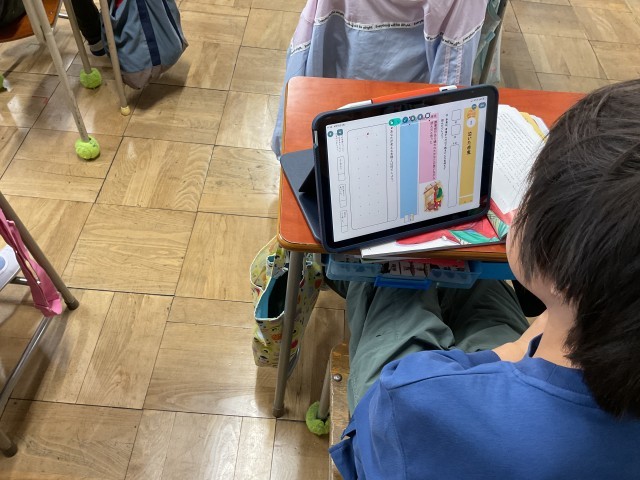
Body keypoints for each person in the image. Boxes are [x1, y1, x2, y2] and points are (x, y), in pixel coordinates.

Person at [328, 79, 640, 479]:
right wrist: (524, 343)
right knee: (474, 283)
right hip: (534, 397)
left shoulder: (407, 396)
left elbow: (371, 441)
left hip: (416, 419)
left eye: (532, 194)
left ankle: (365, 278)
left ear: (565, 270)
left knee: (390, 282)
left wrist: (514, 350)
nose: (520, 208)